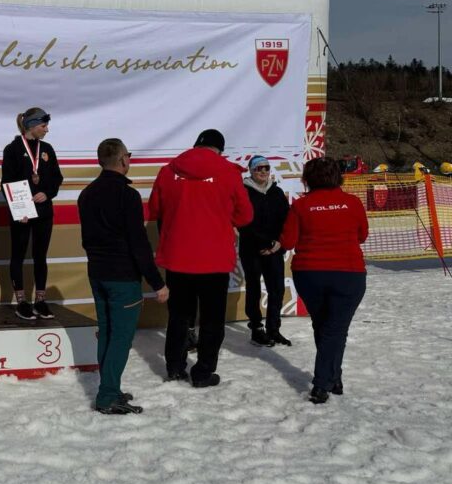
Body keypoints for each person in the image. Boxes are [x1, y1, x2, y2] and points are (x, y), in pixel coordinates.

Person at [148, 129, 253, 387]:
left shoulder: (168, 171)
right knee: (212, 320)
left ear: (195, 146)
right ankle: (203, 373)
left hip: (178, 257)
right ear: (219, 150)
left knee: (179, 317)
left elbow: (154, 209)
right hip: (213, 260)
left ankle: (174, 367)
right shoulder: (229, 172)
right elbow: (245, 216)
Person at [78, 138, 169, 415]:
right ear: (123, 160)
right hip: (122, 276)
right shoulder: (127, 196)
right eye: (128, 155)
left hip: (98, 273)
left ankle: (110, 387)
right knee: (120, 338)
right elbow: (138, 244)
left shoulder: (87, 194)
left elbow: (87, 240)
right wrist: (157, 282)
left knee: (107, 333)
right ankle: (107, 396)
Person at [279, 156, 368, 404]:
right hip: (348, 273)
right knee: (335, 329)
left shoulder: (300, 205)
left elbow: (288, 242)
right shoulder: (352, 203)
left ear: (308, 179)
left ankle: (333, 377)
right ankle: (323, 383)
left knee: (325, 327)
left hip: (310, 274)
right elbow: (362, 235)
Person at [0, 108, 64, 320]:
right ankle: (21, 301)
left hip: (44, 212)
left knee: (40, 256)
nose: (47, 129)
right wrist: (20, 209)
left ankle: (40, 300)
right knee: (18, 254)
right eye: (43, 126)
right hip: (22, 213)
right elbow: (6, 183)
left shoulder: (47, 149)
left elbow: (57, 177)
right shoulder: (12, 149)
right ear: (31, 125)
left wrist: (47, 193)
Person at [238, 155, 291, 347]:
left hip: (275, 249)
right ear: (251, 171)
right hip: (252, 249)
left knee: (276, 289)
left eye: (266, 168)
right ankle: (257, 329)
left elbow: (287, 220)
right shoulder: (243, 192)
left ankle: (273, 329)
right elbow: (244, 223)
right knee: (254, 288)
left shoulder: (276, 192)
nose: (263, 171)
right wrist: (265, 243)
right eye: (258, 168)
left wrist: (279, 243)